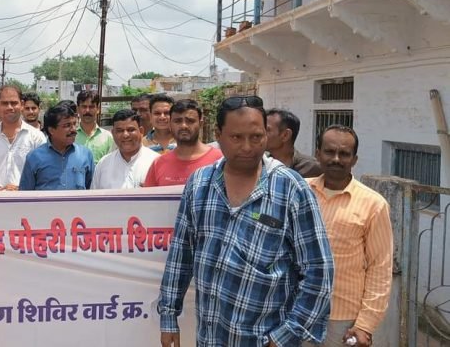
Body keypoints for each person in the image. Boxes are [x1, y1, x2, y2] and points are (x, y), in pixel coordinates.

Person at [158, 95, 334, 346]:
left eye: (256, 137)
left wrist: (285, 335)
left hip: (266, 339)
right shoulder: (199, 184)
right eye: (236, 137)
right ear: (218, 135)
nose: (247, 147)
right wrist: (168, 316)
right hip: (210, 337)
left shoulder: (291, 188)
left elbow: (319, 270)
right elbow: (181, 254)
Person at [307, 125, 393, 347]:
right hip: (299, 312)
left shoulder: (373, 204)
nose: (336, 159)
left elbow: (380, 267)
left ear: (354, 159)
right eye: (329, 151)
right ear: (317, 153)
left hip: (344, 320)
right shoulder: (301, 192)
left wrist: (365, 324)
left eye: (344, 154)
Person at [0, 85, 46, 191]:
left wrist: (22, 189)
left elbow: (44, 175)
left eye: (14, 103)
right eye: (5, 103)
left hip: (27, 199)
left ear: (22, 105)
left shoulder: (37, 137)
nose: (10, 107)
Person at [144, 99, 223, 187]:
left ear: (200, 124)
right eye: (178, 121)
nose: (183, 126)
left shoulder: (220, 160)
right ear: (170, 125)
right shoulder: (158, 164)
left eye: (190, 121)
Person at [19, 103, 94, 190]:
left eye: (74, 124)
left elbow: (92, 189)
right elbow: (25, 193)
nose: (73, 129)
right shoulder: (34, 158)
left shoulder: (85, 155)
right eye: (67, 125)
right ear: (51, 130)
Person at [92, 109, 158, 189]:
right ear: (113, 133)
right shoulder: (103, 164)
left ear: (141, 131)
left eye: (131, 130)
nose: (125, 135)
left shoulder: (156, 162)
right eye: (120, 131)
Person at [266, 108, 322, 178]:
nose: (260, 134)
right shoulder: (260, 165)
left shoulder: (312, 168)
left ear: (286, 135)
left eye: (267, 130)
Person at [75, 90, 115, 164]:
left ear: (98, 109)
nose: (87, 111)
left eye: (91, 107)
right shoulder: (71, 136)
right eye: (84, 106)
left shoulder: (108, 137)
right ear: (77, 109)